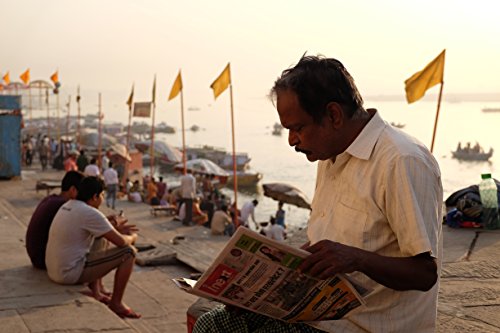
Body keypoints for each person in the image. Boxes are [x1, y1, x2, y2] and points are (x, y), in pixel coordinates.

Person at [193, 55, 443, 332]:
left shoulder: (401, 160)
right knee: (211, 320)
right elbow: (324, 252)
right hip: (323, 314)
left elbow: (424, 274)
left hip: (367, 326)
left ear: (333, 115)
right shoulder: (329, 156)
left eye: (298, 128)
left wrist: (356, 258)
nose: (291, 140)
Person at [45, 176, 141, 319]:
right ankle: (117, 303)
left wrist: (113, 229)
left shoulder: (68, 205)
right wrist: (133, 237)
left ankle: (96, 291)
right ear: (95, 196)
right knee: (129, 252)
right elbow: (121, 242)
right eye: (102, 195)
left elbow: (103, 232)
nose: (102, 198)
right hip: (68, 274)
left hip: (54, 270)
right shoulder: (90, 212)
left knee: (100, 236)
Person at [25, 171, 84, 269]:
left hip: (36, 256)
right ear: (73, 190)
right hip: (43, 259)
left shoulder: (52, 199)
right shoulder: (63, 206)